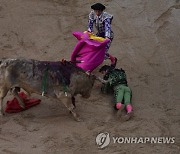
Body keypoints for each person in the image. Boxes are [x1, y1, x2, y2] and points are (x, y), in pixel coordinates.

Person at [88, 3, 117, 67]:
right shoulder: (92, 14)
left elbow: (107, 27)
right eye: (96, 11)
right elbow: (90, 25)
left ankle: (113, 59)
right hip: (99, 34)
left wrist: (107, 38)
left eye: (99, 11)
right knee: (93, 48)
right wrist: (89, 32)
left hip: (108, 36)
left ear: (102, 11)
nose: (97, 13)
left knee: (103, 53)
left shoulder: (106, 17)